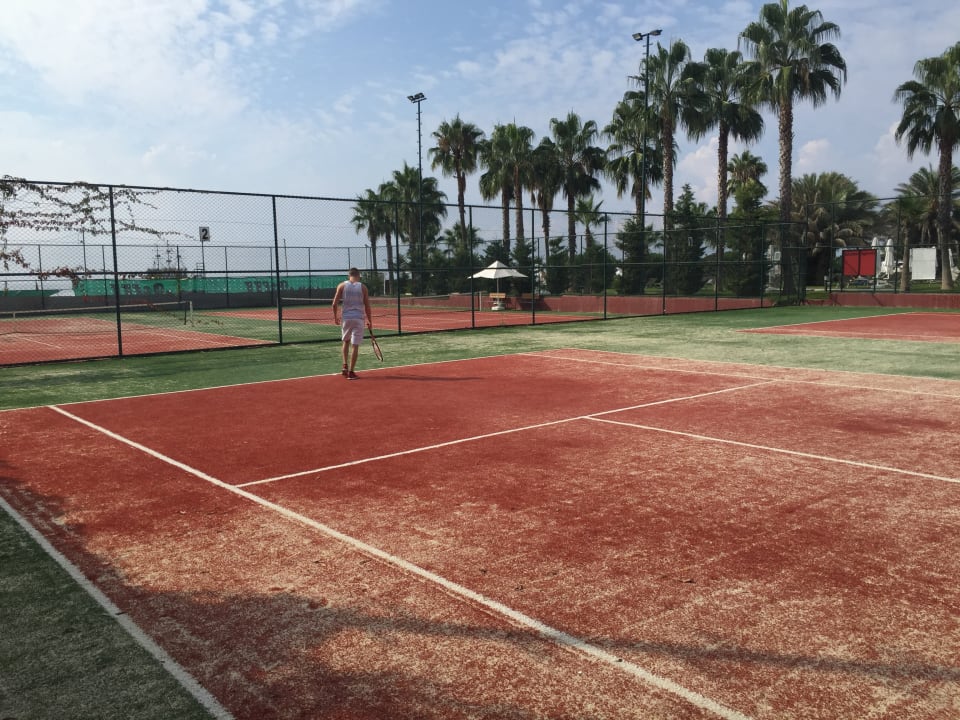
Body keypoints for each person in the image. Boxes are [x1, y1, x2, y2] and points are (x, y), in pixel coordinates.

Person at [331, 267, 373, 379]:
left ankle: (345, 366)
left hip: (346, 318)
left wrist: (335, 317)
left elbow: (334, 304)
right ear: (358, 275)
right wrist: (370, 320)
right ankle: (351, 372)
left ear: (349, 275)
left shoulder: (341, 286)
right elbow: (367, 306)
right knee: (355, 345)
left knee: (346, 341)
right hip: (358, 318)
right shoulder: (363, 287)